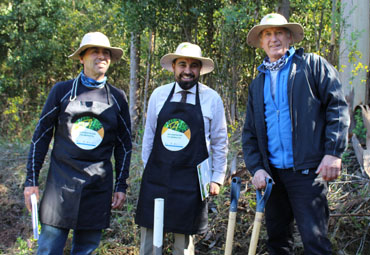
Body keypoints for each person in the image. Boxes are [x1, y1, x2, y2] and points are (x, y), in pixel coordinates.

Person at [242, 13, 349, 254]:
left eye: (279, 32)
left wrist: (333, 153)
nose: (273, 39)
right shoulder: (257, 83)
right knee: (278, 243)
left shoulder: (312, 65)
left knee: (315, 243)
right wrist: (257, 168)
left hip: (308, 172)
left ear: (289, 37)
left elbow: (338, 107)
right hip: (272, 176)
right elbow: (249, 132)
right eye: (267, 34)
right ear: (261, 42)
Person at [23, 32, 132, 255]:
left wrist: (121, 185)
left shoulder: (117, 97)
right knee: (48, 249)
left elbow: (124, 145)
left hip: (98, 187)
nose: (101, 56)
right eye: (95, 51)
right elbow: (41, 137)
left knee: (86, 250)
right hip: (60, 185)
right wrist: (30, 180)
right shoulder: (62, 92)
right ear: (81, 57)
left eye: (106, 53)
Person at [135, 42, 228, 255]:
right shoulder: (158, 95)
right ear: (174, 67)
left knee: (184, 245)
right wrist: (148, 169)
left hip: (191, 182)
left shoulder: (212, 98)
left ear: (200, 69)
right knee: (150, 240)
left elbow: (220, 142)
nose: (188, 71)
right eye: (182, 65)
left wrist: (216, 178)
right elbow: (149, 136)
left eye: (193, 66)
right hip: (157, 178)